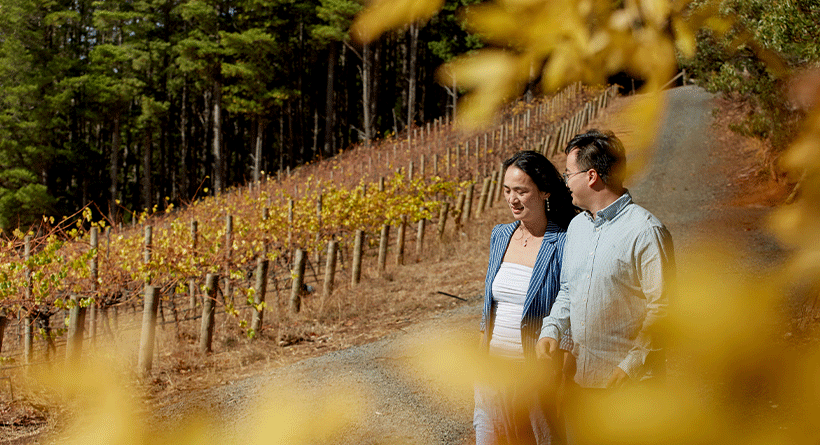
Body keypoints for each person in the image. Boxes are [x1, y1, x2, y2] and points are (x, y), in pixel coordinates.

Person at [536, 129, 674, 399]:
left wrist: (630, 366)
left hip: (631, 388)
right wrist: (551, 329)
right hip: (580, 383)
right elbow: (567, 290)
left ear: (591, 176)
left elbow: (664, 310)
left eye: (568, 174)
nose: (565, 182)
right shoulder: (576, 227)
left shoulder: (646, 231)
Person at [474, 150, 577, 445]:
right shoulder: (500, 235)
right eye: (507, 190)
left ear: (544, 191)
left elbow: (569, 309)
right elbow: (488, 308)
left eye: (521, 191)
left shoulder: (564, 241)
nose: (512, 199)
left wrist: (561, 378)